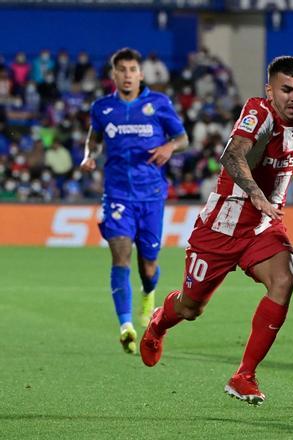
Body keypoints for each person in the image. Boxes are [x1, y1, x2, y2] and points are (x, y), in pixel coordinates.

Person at [139, 56, 293, 405]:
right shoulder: (258, 113)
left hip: (263, 226)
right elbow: (232, 155)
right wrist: (257, 195)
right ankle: (158, 324)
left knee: (284, 280)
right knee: (190, 308)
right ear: (270, 91)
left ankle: (244, 374)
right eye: (286, 89)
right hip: (222, 226)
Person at [80, 48, 188, 354]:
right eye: (122, 70)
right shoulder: (102, 108)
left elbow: (183, 139)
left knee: (149, 265)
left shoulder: (159, 104)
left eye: (132, 69)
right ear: (114, 75)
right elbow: (94, 139)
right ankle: (125, 325)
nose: (127, 75)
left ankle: (148, 293)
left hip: (151, 195)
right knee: (120, 257)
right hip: (116, 195)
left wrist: (169, 147)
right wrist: (90, 157)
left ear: (141, 74)